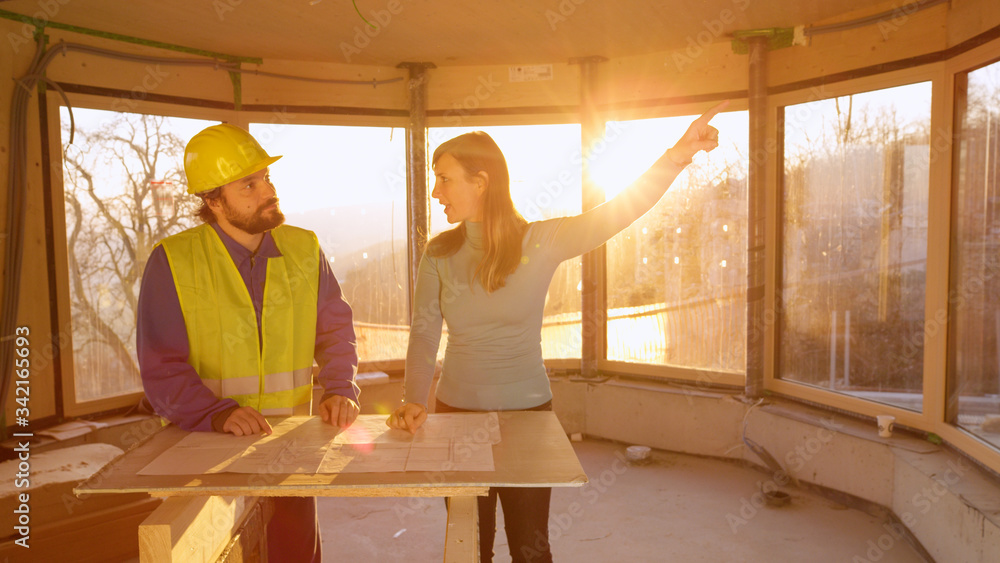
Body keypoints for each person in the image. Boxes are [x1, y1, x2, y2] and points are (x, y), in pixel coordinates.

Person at [386, 102, 727, 562]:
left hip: (528, 415)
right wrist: (411, 397)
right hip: (456, 415)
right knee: (469, 548)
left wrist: (677, 155)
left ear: (481, 182)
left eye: (445, 178)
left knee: (530, 549)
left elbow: (618, 212)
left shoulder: (541, 242)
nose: (435, 190)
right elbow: (425, 333)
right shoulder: (439, 253)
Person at [136, 123, 360, 563]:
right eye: (249, 185)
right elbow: (161, 366)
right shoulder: (173, 262)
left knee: (295, 555)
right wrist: (215, 413)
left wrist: (339, 389)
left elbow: (335, 332)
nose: (267, 192)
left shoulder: (305, 248)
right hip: (203, 449)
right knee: (217, 550)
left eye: (267, 178)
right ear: (213, 200)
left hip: (290, 446)